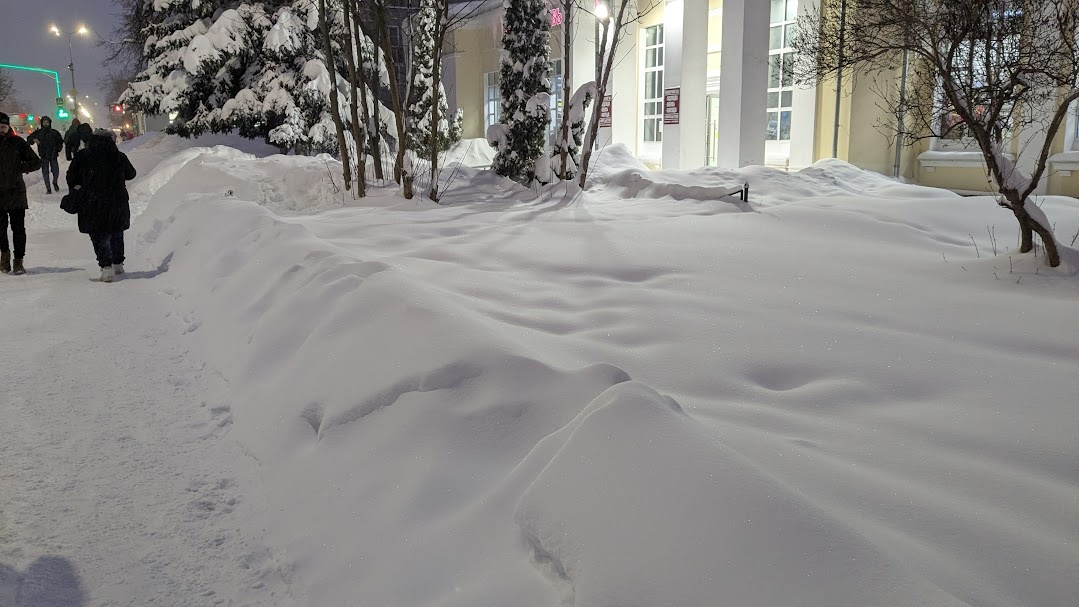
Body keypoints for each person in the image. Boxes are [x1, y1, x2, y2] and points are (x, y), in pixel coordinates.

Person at [66, 128, 136, 282]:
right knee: (116, 232)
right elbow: (131, 174)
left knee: (98, 235)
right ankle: (118, 264)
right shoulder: (118, 156)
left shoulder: (82, 156)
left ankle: (106, 268)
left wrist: (78, 185)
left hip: (91, 202)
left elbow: (71, 177)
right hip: (116, 201)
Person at [0, 112, 42, 275]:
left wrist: (20, 168)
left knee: (18, 229)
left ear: (8, 126)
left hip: (16, 192)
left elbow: (36, 162)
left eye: (3, 127)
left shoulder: (17, 143)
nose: (1, 130)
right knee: (0, 230)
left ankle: (18, 261)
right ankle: (4, 257)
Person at [26, 115, 64, 194]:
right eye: (44, 122)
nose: (46, 124)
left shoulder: (54, 132)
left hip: (53, 155)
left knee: (55, 171)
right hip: (43, 156)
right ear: (42, 123)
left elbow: (60, 141)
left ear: (50, 123)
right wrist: (33, 139)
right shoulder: (38, 133)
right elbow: (29, 139)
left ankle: (54, 182)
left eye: (47, 122)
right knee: (45, 172)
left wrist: (58, 149)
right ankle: (48, 188)